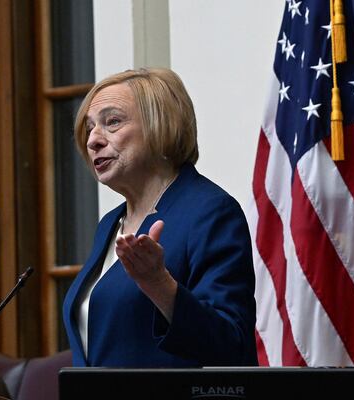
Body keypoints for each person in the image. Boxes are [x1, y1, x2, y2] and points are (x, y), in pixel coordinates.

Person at [62, 68, 258, 368]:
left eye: (112, 122)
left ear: (161, 124)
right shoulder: (110, 224)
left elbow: (230, 344)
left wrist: (158, 284)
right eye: (89, 128)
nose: (93, 141)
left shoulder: (210, 213)